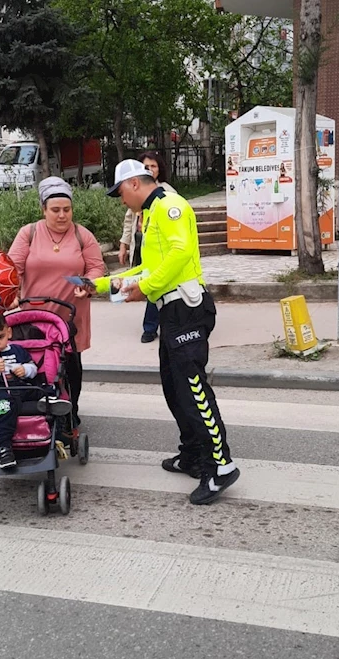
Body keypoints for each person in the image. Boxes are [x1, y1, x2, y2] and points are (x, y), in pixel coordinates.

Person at [94, 160, 240, 506]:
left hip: (187, 309)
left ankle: (221, 466)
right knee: (174, 390)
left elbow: (180, 252)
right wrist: (99, 285)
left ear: (132, 184)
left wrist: (147, 287)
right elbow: (147, 266)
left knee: (193, 391)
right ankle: (191, 455)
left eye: (119, 193)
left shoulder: (171, 206)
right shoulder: (153, 211)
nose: (120, 201)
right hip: (171, 312)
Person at [8, 176, 105, 427]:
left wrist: (88, 284)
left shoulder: (83, 236)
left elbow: (96, 267)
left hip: (71, 316)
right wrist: (12, 294)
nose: (62, 215)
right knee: (35, 363)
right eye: (55, 210)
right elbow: (12, 268)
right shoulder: (29, 233)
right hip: (34, 316)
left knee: (71, 366)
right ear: (43, 209)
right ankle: (35, 410)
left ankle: (70, 411)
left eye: (67, 209)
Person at [0, 313, 70, 469]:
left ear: (9, 333)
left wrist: (25, 370)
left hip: (21, 386)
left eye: (0, 337)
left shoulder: (18, 350)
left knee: (44, 389)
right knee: (5, 408)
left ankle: (50, 404)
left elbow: (33, 368)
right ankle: (4, 449)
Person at [118, 151, 175, 344]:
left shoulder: (169, 196)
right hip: (142, 244)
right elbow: (128, 221)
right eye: (146, 167)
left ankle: (152, 327)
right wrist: (124, 244)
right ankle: (154, 326)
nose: (150, 170)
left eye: (153, 166)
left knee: (154, 282)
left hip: (161, 249)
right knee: (148, 279)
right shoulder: (135, 198)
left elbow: (180, 250)